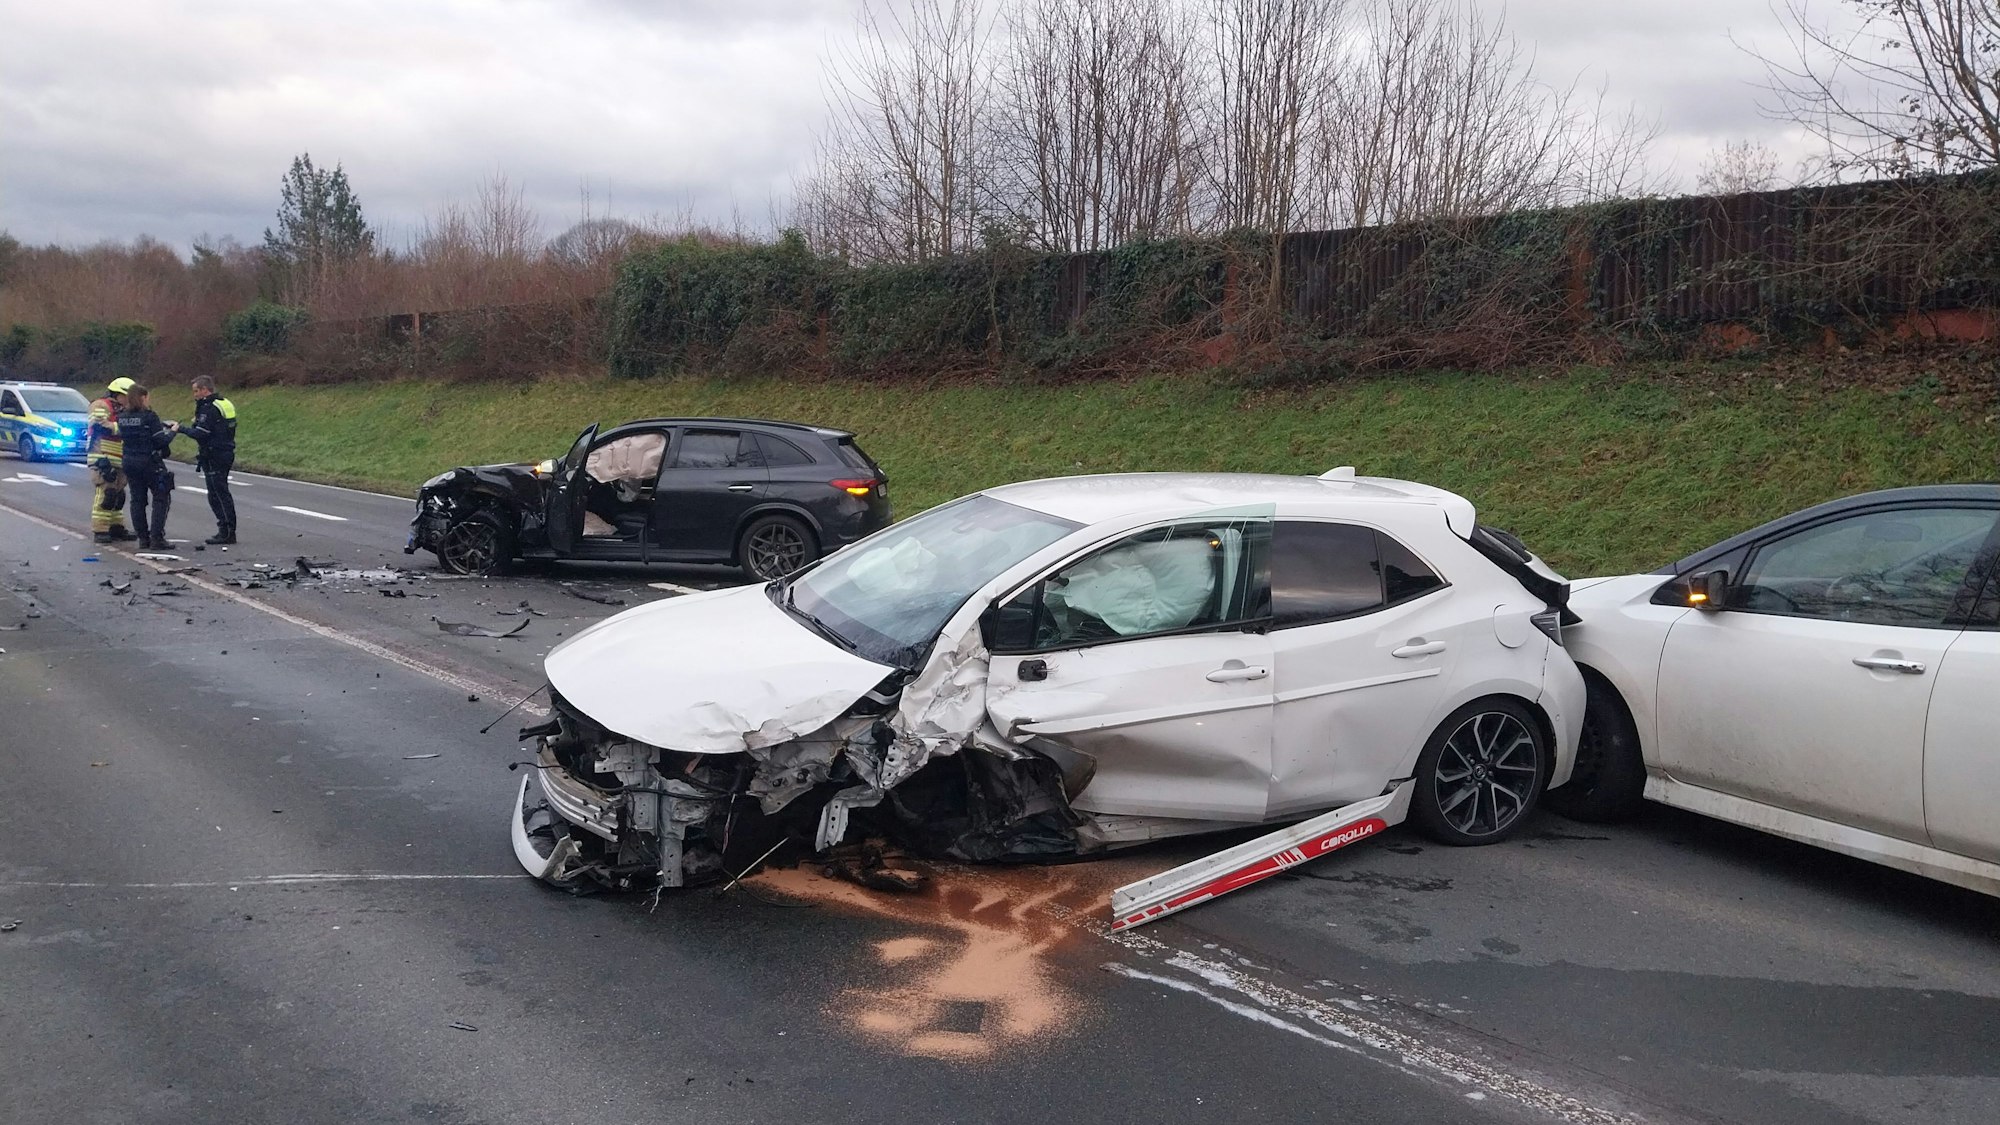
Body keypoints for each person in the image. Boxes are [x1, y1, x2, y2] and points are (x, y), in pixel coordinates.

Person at [115, 384, 178, 550]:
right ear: (143, 397)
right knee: (161, 497)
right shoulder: (149, 416)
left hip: (129, 461)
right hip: (149, 462)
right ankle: (157, 538)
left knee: (137, 500)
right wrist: (172, 431)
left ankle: (143, 538)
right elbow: (160, 441)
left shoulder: (121, 416)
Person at [184, 375, 238, 544]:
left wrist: (181, 429)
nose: (194, 395)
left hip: (214, 454)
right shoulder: (224, 403)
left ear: (204, 390)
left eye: (196, 391)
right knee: (221, 492)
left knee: (217, 494)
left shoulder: (208, 408)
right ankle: (227, 530)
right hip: (226, 450)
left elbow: (201, 433)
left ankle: (226, 531)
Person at [86, 377, 135, 544]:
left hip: (120, 458)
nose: (128, 399)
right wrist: (125, 428)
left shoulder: (124, 409)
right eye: (126, 395)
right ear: (117, 393)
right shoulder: (101, 405)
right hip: (102, 457)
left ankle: (116, 527)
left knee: (119, 495)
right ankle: (100, 530)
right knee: (106, 493)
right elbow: (100, 425)